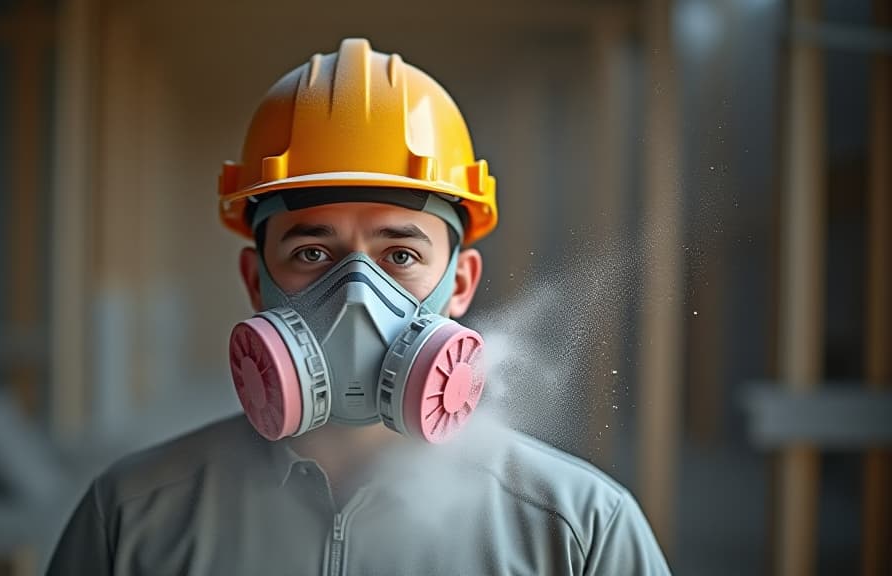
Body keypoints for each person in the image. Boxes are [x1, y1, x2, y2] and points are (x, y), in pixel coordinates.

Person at [46, 38, 670, 575]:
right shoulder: (131, 517)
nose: (355, 295)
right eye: (313, 254)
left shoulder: (580, 531)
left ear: (461, 283)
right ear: (254, 278)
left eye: (399, 256)